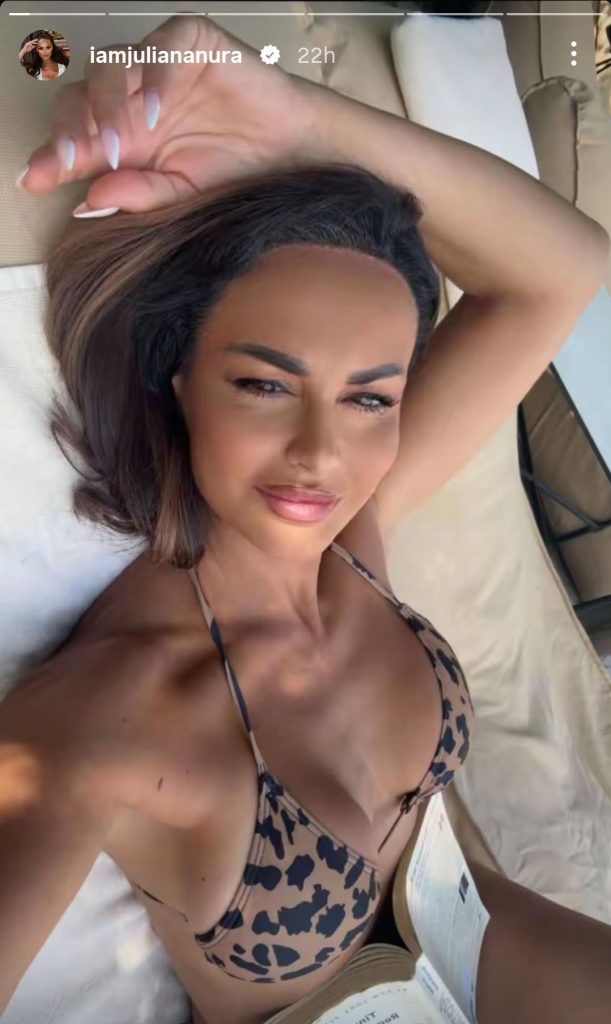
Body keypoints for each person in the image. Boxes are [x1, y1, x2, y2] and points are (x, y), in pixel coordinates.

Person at [3, 13, 609, 1024]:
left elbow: (562, 269)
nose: (321, 456)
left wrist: (296, 121)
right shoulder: (108, 714)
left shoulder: (349, 539)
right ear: (178, 378)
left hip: (478, 932)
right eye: (264, 385)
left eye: (370, 397)